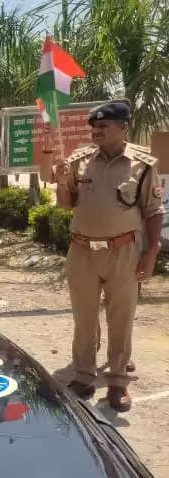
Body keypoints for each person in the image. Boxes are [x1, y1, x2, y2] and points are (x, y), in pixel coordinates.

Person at [42, 99, 164, 412]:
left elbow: (153, 211)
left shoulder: (143, 164)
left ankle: (118, 382)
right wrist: (60, 180)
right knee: (84, 319)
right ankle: (83, 375)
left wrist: (151, 252)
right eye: (93, 127)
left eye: (103, 126)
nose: (96, 131)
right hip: (82, 251)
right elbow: (67, 204)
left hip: (123, 251)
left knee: (120, 318)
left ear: (122, 128)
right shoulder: (80, 161)